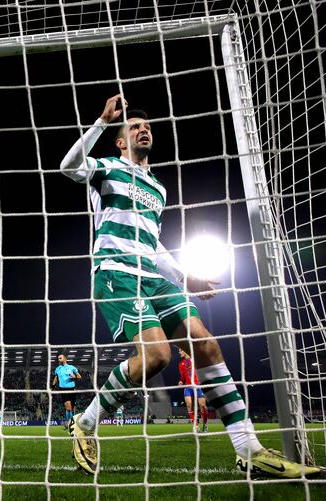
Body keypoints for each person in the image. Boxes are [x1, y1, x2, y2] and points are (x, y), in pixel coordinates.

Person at [60, 94, 323, 479]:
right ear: (120, 140)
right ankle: (86, 422)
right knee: (157, 358)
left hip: (152, 275)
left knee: (206, 343)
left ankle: (247, 447)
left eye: (146, 126)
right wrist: (101, 121)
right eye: (133, 127)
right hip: (116, 273)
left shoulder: (157, 189)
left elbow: (155, 244)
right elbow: (68, 167)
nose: (143, 129)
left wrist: (185, 277)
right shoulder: (107, 168)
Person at [177, 347, 208, 432]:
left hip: (199, 386)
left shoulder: (196, 360)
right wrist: (180, 381)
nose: (179, 352)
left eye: (180, 350)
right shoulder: (181, 364)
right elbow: (183, 376)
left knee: (203, 406)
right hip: (188, 387)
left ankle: (205, 425)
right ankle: (196, 426)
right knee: (189, 405)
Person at [52, 353, 82, 428]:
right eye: (58, 358)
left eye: (60, 358)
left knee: (72, 409)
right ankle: (71, 424)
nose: (59, 360)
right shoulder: (58, 369)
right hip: (63, 389)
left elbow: (79, 377)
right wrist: (53, 386)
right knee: (68, 407)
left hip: (72, 389)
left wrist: (73, 377)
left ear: (65, 359)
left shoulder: (71, 367)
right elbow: (56, 378)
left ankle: (69, 422)